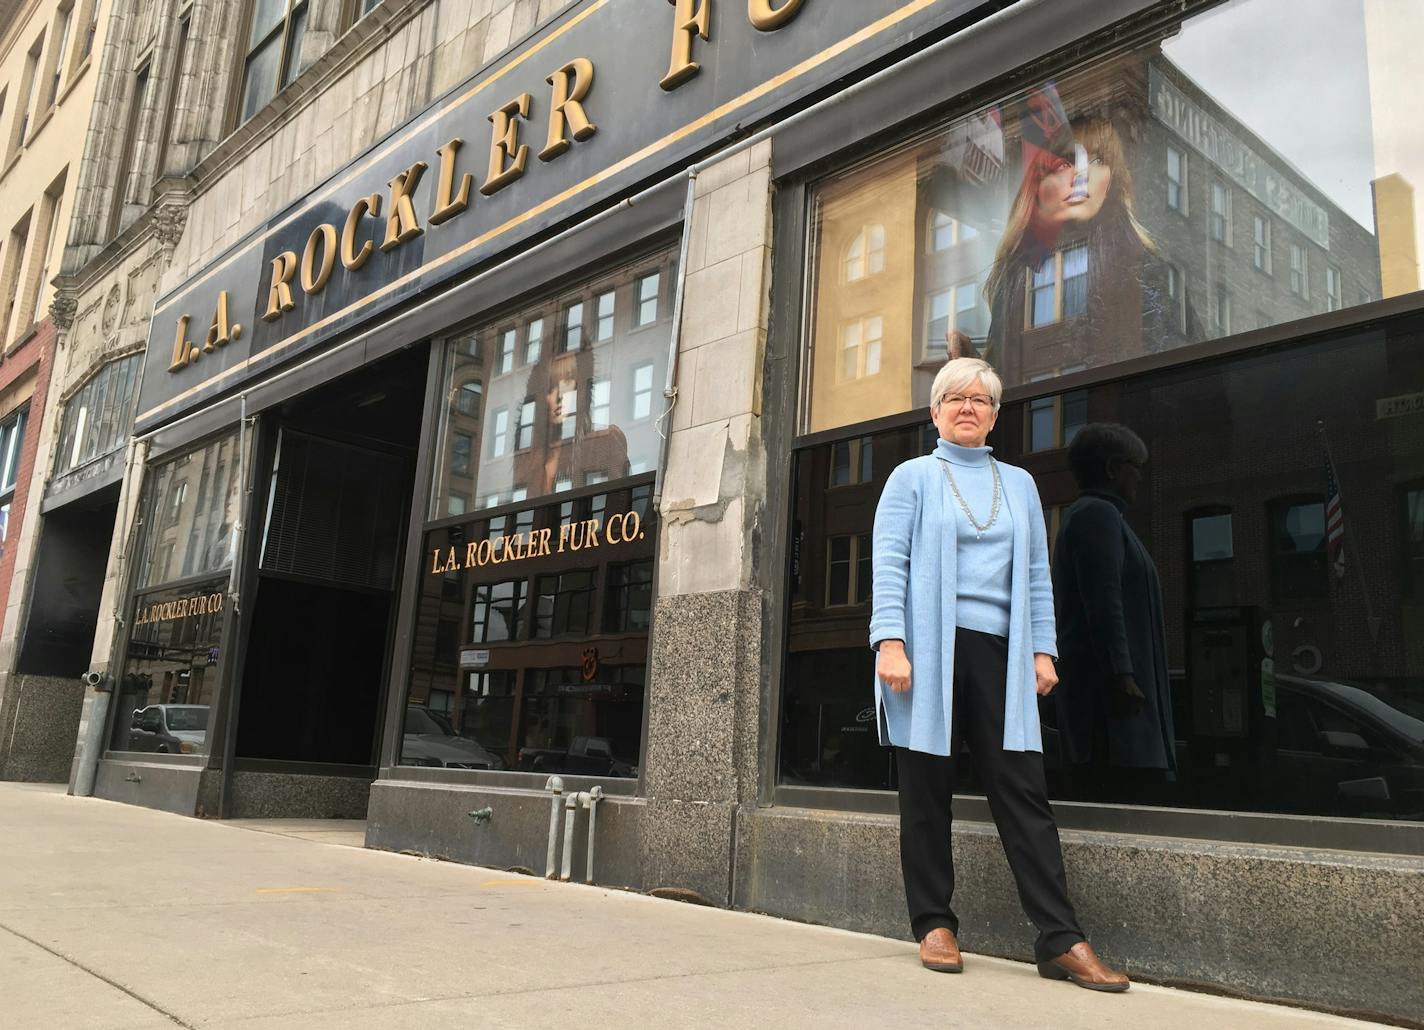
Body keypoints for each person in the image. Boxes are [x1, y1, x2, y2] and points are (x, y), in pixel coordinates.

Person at [870, 356, 1128, 991]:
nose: (967, 407)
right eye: (954, 398)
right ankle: (934, 923)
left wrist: (1044, 651)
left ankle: (1061, 938)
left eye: (980, 400)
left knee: (1022, 790)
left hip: (1002, 653)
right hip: (926, 649)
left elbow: (1037, 574)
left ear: (993, 415)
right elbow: (889, 565)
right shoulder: (911, 479)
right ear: (934, 413)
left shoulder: (1018, 485)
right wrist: (889, 643)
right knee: (925, 787)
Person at [983, 114, 1173, 380]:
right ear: (1036, 186)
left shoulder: (1146, 267)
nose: (1080, 176)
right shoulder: (1014, 277)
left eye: (1097, 160)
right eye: (1063, 164)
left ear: (1112, 180)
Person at [1051, 423, 1176, 791]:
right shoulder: (1097, 515)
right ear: (1111, 469)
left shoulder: (1102, 517)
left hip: (1115, 713)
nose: (1139, 476)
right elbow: (1104, 602)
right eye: (1134, 466)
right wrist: (1122, 676)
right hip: (1113, 717)